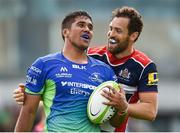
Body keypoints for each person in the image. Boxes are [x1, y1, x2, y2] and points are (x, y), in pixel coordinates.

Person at [13, 6, 158, 132]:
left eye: (118, 31)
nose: (111, 34)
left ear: (133, 35)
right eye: (110, 29)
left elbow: (151, 111)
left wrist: (123, 106)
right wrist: (33, 92)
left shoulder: (144, 66)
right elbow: (65, 90)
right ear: (65, 32)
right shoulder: (91, 55)